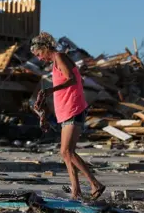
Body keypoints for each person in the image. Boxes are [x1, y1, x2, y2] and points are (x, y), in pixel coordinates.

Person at [30, 32, 106, 201]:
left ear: (44, 48)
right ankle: (76, 192)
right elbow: (70, 85)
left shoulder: (59, 57)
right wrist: (44, 111)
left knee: (67, 151)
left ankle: (95, 184)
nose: (40, 59)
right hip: (66, 110)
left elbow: (71, 80)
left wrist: (50, 90)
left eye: (39, 54)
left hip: (74, 108)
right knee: (65, 153)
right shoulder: (56, 61)